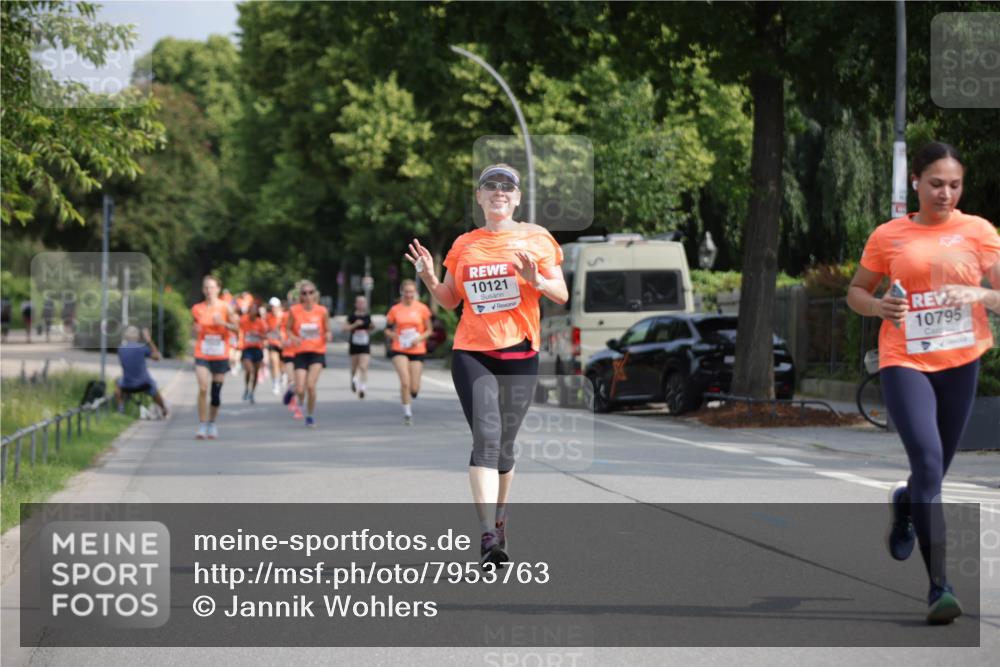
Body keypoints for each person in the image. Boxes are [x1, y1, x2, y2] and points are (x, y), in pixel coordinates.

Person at [847, 141, 1000, 625]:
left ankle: (904, 503)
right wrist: (877, 307)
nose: (946, 193)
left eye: (955, 185)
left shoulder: (979, 232)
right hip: (904, 360)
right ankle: (941, 588)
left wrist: (976, 291)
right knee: (929, 466)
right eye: (936, 184)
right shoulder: (889, 235)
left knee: (933, 475)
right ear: (916, 182)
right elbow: (856, 291)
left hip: (961, 360)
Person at [406, 163, 568, 565]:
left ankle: (499, 518)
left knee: (506, 449)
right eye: (490, 186)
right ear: (478, 197)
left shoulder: (537, 238)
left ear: (517, 198)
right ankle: (486, 537)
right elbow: (448, 299)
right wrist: (428, 276)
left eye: (507, 187)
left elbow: (561, 294)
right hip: (472, 352)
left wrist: (536, 280)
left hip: (520, 353)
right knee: (486, 440)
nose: (499, 191)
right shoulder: (465, 244)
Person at [192, 275, 240, 439]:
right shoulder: (197, 308)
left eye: (212, 287)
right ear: (203, 290)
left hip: (220, 353)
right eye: (206, 287)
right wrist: (195, 330)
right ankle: (202, 423)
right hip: (202, 352)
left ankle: (212, 423)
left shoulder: (225, 307)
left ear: (218, 289)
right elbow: (194, 327)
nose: (209, 290)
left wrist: (224, 324)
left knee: (215, 394)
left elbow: (237, 328)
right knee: (203, 387)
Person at [385, 280, 433, 425]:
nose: (409, 294)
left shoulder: (422, 309)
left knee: (414, 386)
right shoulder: (395, 309)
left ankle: (413, 391)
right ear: (402, 292)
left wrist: (419, 338)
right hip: (399, 348)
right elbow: (387, 329)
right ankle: (407, 413)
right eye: (406, 292)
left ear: (415, 293)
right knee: (405, 381)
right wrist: (394, 336)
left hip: (417, 348)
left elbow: (429, 330)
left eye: (411, 292)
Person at [287, 280, 332, 428]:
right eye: (304, 293)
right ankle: (296, 395)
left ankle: (310, 415)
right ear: (300, 296)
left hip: (317, 352)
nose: (308, 295)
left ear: (315, 294)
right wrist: (293, 338)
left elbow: (327, 329)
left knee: (311, 386)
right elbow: (287, 329)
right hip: (300, 352)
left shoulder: (322, 311)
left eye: (311, 292)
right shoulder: (294, 310)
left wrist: (328, 335)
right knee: (301, 388)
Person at [115, 326, 168, 417]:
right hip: (144, 383)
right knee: (153, 386)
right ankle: (163, 409)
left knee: (118, 382)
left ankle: (121, 408)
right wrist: (149, 340)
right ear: (138, 337)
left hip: (127, 384)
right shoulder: (142, 348)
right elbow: (157, 357)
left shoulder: (120, 349)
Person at [239, 299, 268, 404]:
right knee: (249, 370)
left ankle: (252, 392)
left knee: (255, 373)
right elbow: (238, 330)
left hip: (257, 349)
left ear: (256, 312)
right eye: (250, 310)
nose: (252, 312)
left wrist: (258, 335)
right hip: (247, 348)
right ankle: (247, 388)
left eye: (254, 310)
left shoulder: (261, 322)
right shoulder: (243, 320)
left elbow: (266, 336)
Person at [345, 294, 373, 399]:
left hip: (365, 344)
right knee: (354, 367)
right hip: (354, 344)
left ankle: (362, 388)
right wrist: (355, 325)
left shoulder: (368, 316)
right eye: (359, 302)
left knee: (363, 367)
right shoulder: (352, 316)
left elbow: (371, 327)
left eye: (363, 302)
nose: (361, 304)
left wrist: (371, 327)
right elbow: (345, 328)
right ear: (356, 304)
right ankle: (353, 379)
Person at [265, 297, 289, 396]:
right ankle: (276, 384)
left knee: (282, 365)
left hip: (284, 344)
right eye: (272, 307)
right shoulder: (268, 316)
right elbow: (265, 329)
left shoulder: (286, 316)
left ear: (279, 307)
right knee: (274, 362)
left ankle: (283, 374)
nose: (273, 309)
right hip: (273, 342)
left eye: (275, 307)